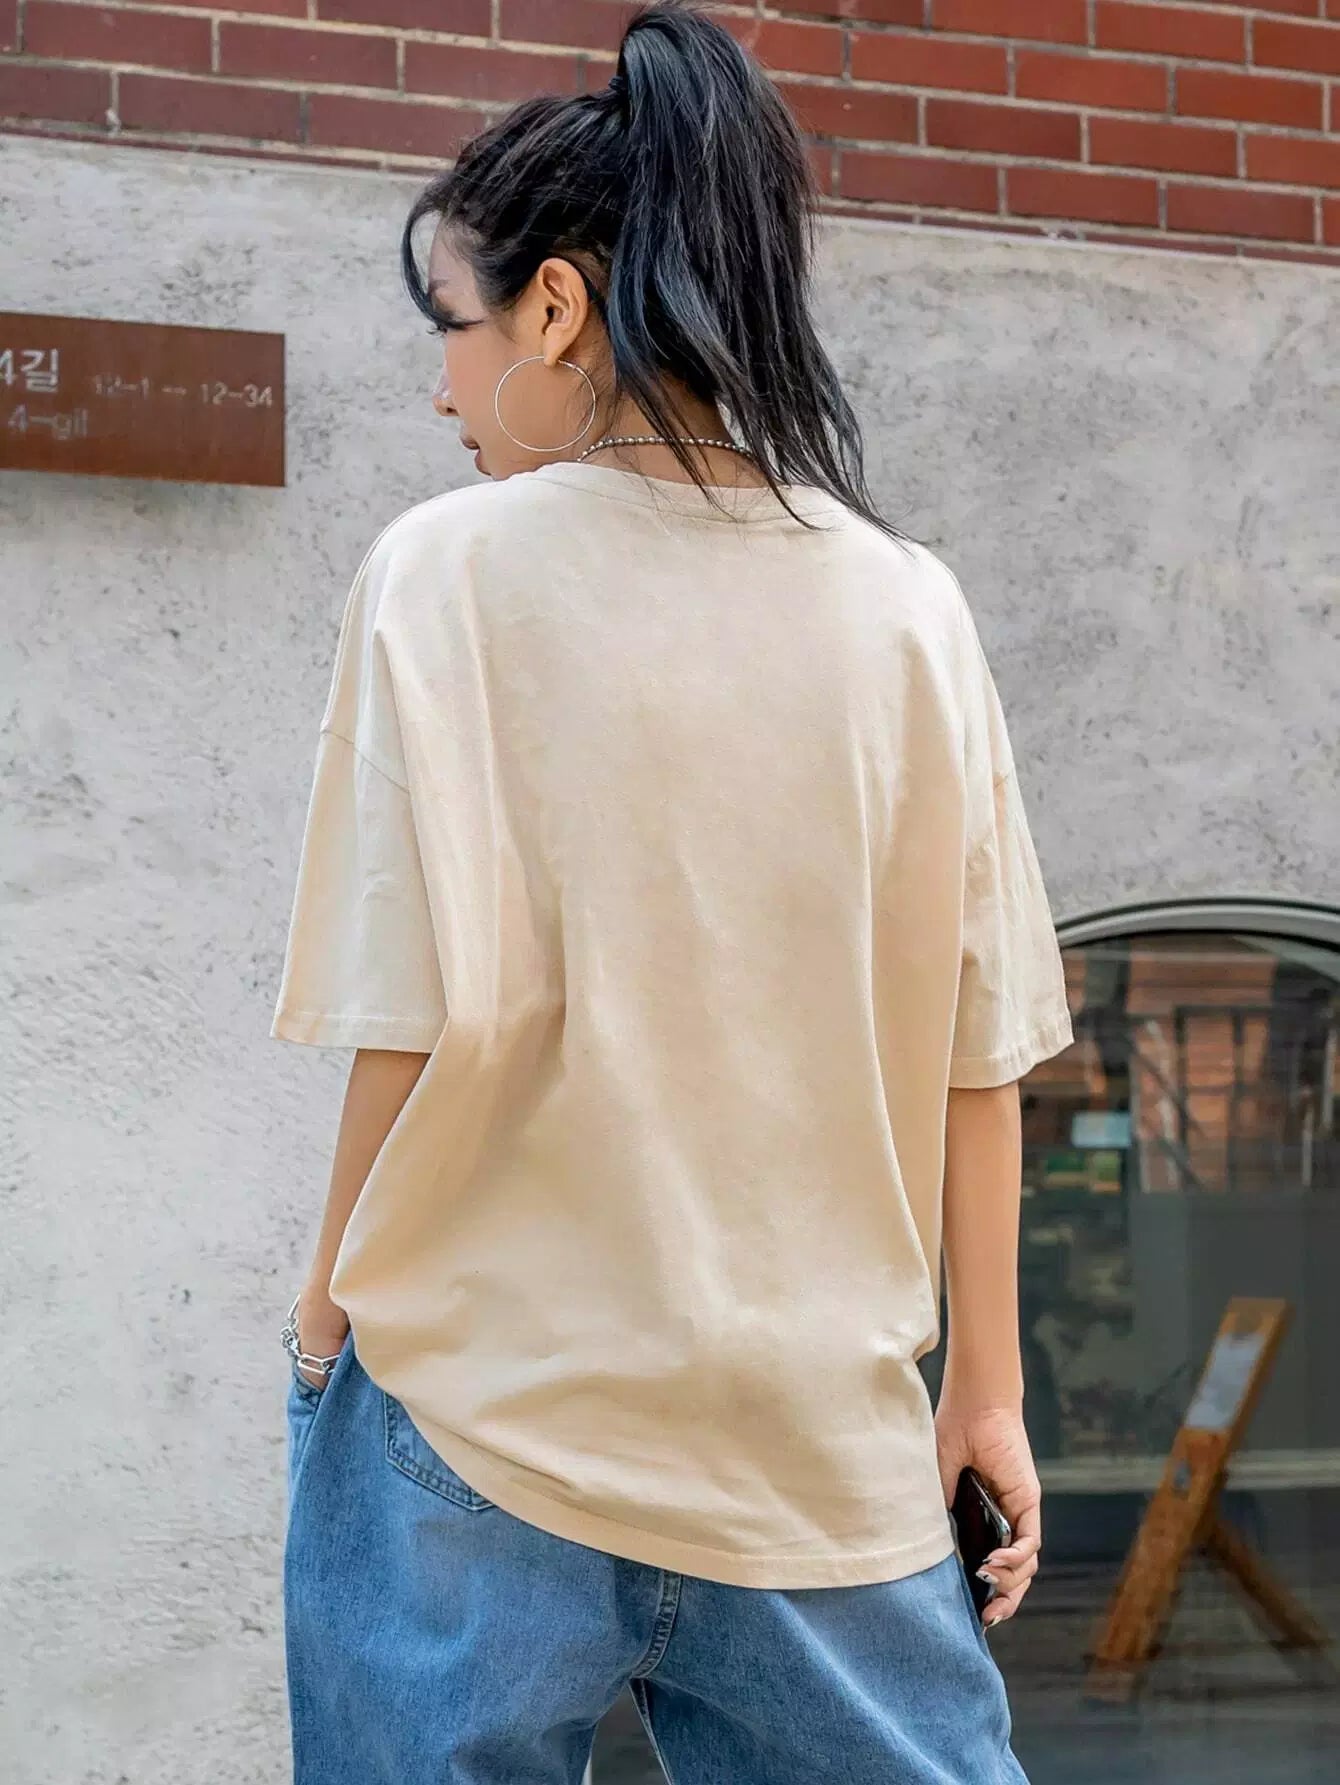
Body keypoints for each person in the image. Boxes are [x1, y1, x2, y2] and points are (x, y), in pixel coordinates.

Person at [270, 5, 1074, 1781]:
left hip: (478, 1422)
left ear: (557, 308)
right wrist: (987, 1394)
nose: (442, 389)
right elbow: (982, 1047)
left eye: (455, 329)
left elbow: (402, 1017)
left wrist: (323, 1325)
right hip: (818, 1456)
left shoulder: (440, 574)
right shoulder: (909, 607)